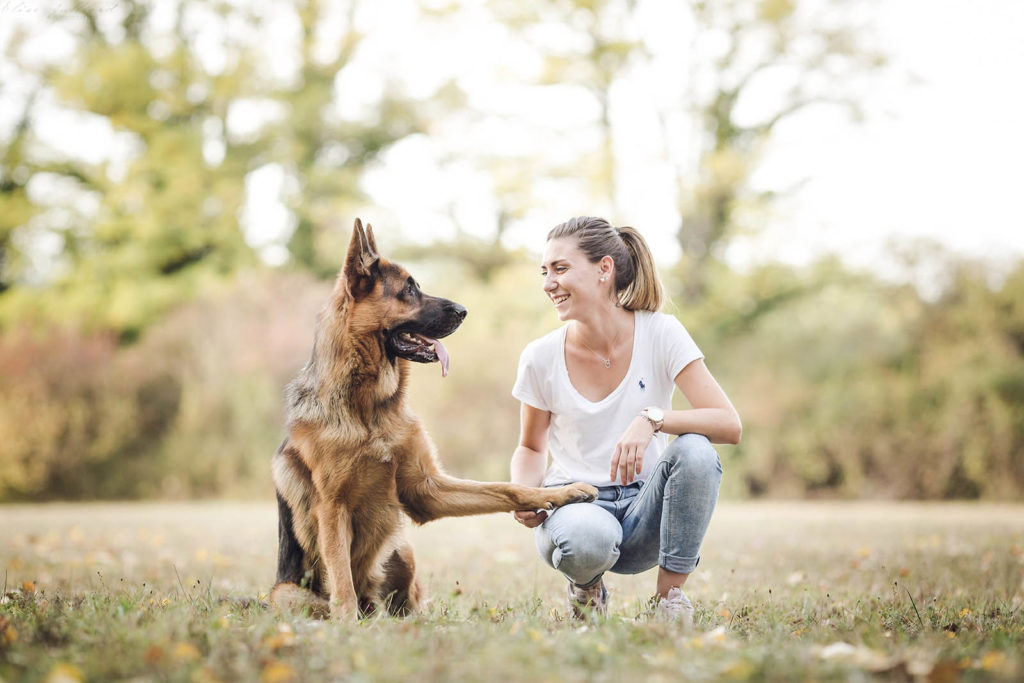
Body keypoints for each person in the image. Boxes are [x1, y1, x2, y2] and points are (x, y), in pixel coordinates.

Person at [510, 216, 741, 626]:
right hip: (575, 505)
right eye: (545, 272)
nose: (548, 283)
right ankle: (587, 588)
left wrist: (653, 418)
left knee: (696, 449)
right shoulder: (540, 357)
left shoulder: (662, 333)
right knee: (586, 540)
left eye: (560, 269)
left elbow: (727, 423)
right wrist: (524, 493)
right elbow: (531, 446)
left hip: (645, 512)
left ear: (604, 269)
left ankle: (669, 603)